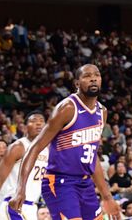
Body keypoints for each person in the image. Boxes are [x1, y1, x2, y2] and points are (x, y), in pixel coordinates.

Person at [8, 64, 121, 220]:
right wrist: (20, 188)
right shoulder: (67, 108)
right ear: (76, 83)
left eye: (97, 75)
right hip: (60, 183)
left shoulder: (102, 112)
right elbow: (35, 147)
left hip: (85, 184)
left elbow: (92, 157)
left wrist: (107, 196)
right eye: (87, 76)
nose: (93, 78)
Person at [0, 112, 47, 220]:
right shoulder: (18, 147)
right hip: (14, 206)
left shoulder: (47, 149)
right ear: (25, 127)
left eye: (41, 121)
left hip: (32, 207)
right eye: (34, 121)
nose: (39, 124)